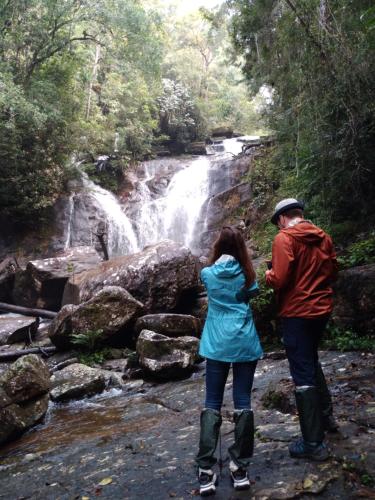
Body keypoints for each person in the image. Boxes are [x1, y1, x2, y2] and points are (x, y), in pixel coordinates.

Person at [265, 198, 339, 461]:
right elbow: (332, 272)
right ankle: (326, 418)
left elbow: (280, 279)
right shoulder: (324, 237)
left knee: (302, 372)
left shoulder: (284, 239)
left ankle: (313, 442)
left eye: (277, 223)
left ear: (283, 218)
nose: (278, 227)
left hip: (297, 312)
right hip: (322, 310)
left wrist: (268, 274)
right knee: (311, 359)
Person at [195, 226, 263, 496]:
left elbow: (211, 288)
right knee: (243, 403)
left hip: (216, 343)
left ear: (218, 246)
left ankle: (205, 472)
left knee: (212, 402)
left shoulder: (207, 274)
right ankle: (240, 468)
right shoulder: (247, 275)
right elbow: (251, 293)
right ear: (240, 248)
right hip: (244, 341)